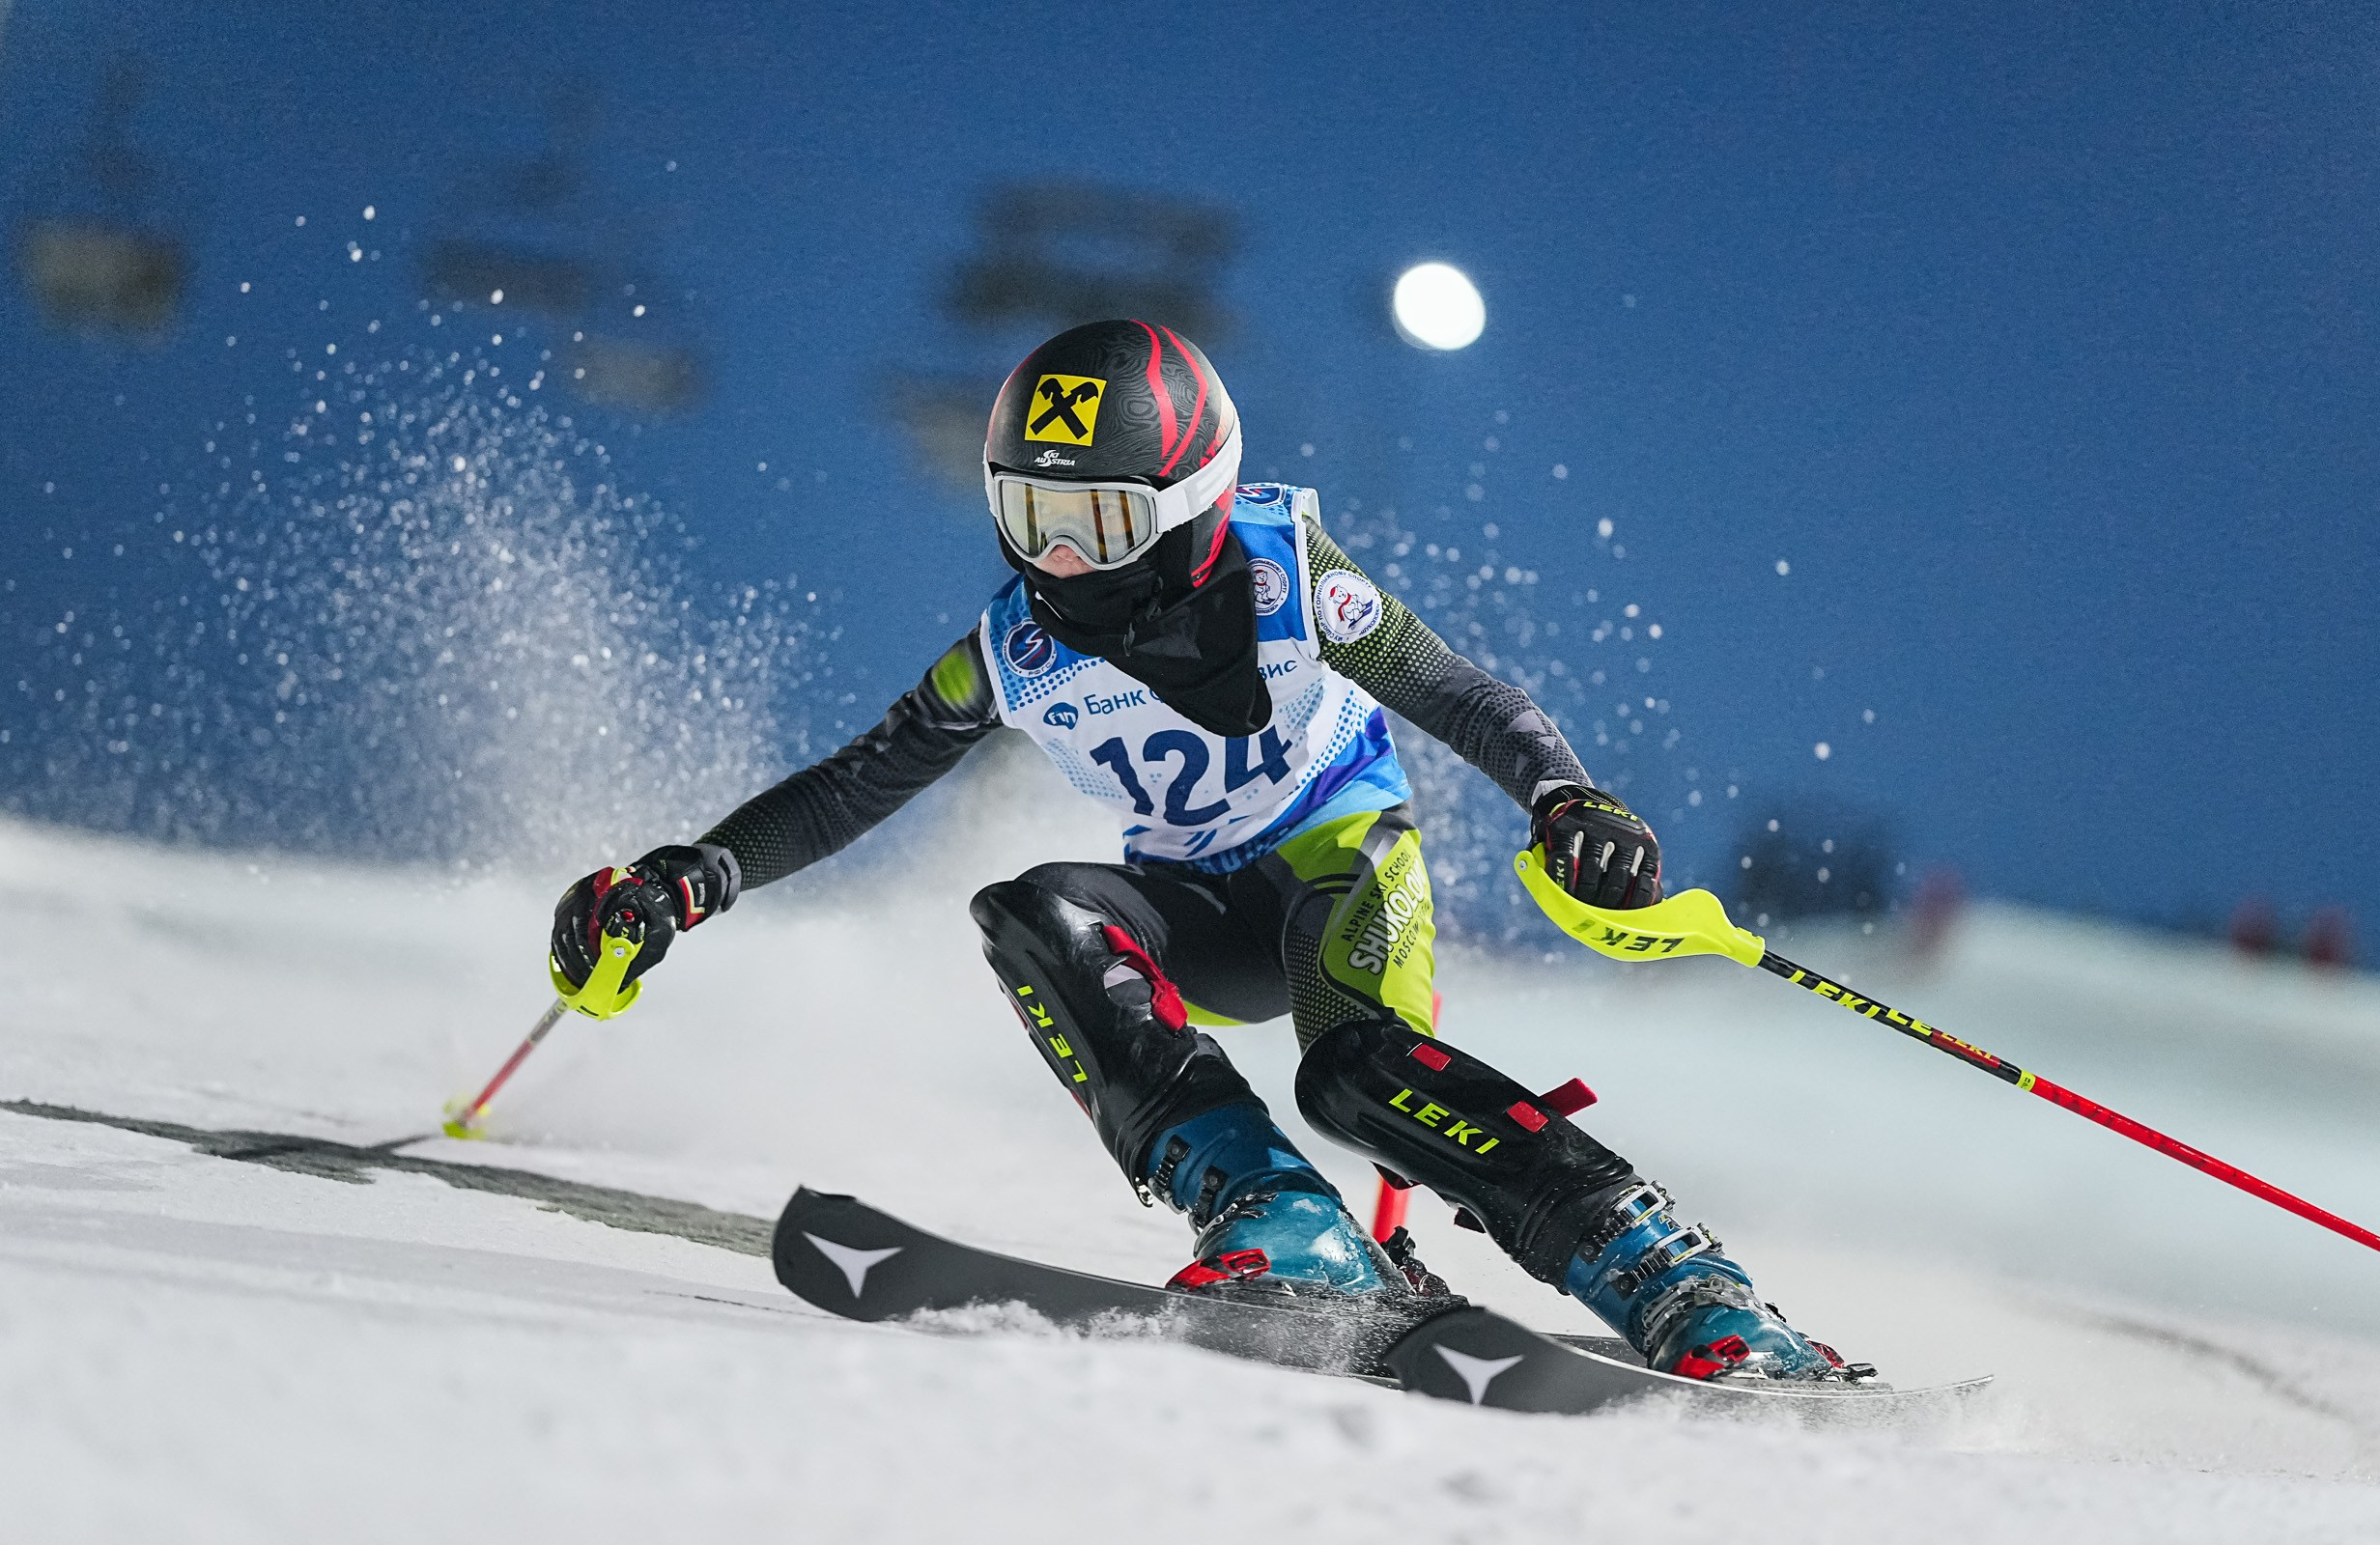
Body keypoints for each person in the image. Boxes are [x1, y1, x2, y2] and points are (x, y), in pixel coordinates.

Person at [551, 319, 1854, 1382]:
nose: (1063, 561)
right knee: (1032, 910)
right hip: (1202, 905)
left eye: (1102, 524)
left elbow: (1455, 691)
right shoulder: (1016, 648)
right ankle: (1283, 1222)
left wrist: (1566, 799)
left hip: (1342, 866)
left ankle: (1678, 1281)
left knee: (1352, 1073)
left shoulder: (1286, 569)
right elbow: (859, 779)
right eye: (1031, 517)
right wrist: (690, 876)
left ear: (1193, 506)